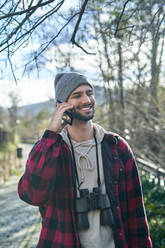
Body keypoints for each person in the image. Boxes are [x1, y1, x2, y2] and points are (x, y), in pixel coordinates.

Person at [18, 72, 152, 248]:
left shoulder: (116, 147)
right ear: (61, 105)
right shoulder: (50, 150)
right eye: (77, 95)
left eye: (89, 93)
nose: (87, 100)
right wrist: (51, 133)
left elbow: (136, 214)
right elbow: (31, 195)